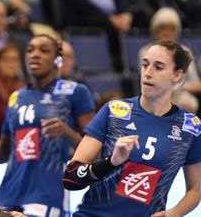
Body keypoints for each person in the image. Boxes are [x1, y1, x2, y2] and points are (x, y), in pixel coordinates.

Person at [63, 40, 201, 216]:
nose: (147, 73)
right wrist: (111, 162)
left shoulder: (191, 128)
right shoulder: (114, 111)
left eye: (158, 67)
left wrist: (172, 213)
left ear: (177, 75)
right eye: (145, 65)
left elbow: (195, 191)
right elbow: (70, 177)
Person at [0, 34, 96, 217]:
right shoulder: (17, 97)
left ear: (58, 60)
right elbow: (4, 153)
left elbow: (94, 150)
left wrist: (65, 131)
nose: (35, 54)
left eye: (44, 50)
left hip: (46, 196)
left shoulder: (75, 92)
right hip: (8, 195)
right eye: (30, 50)